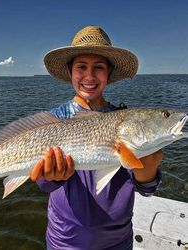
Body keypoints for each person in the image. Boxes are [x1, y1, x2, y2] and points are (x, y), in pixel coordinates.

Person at [30, 26, 163, 250]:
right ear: (70, 71)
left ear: (108, 73)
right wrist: (50, 178)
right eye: (81, 66)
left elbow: (147, 189)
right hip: (64, 242)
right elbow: (44, 184)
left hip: (118, 241)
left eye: (98, 67)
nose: (89, 76)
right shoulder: (53, 122)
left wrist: (147, 170)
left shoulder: (130, 123)